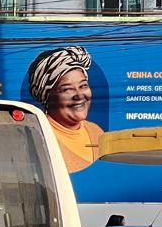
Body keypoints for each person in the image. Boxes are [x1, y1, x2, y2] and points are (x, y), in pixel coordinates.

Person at [27, 45, 105, 173]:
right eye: (67, 89)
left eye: (83, 86)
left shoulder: (95, 132)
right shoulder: (39, 137)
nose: (79, 95)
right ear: (47, 96)